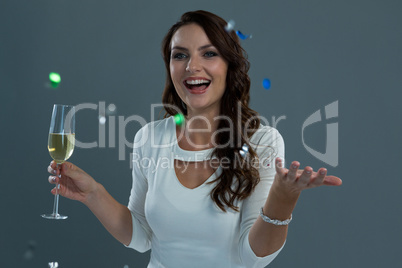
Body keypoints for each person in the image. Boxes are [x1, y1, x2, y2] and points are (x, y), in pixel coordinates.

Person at [47, 10, 342, 268]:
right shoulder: (148, 137)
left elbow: (254, 257)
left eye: (209, 53)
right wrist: (93, 193)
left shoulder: (262, 141)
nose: (192, 66)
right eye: (180, 55)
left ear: (229, 65)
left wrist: (283, 197)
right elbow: (141, 237)